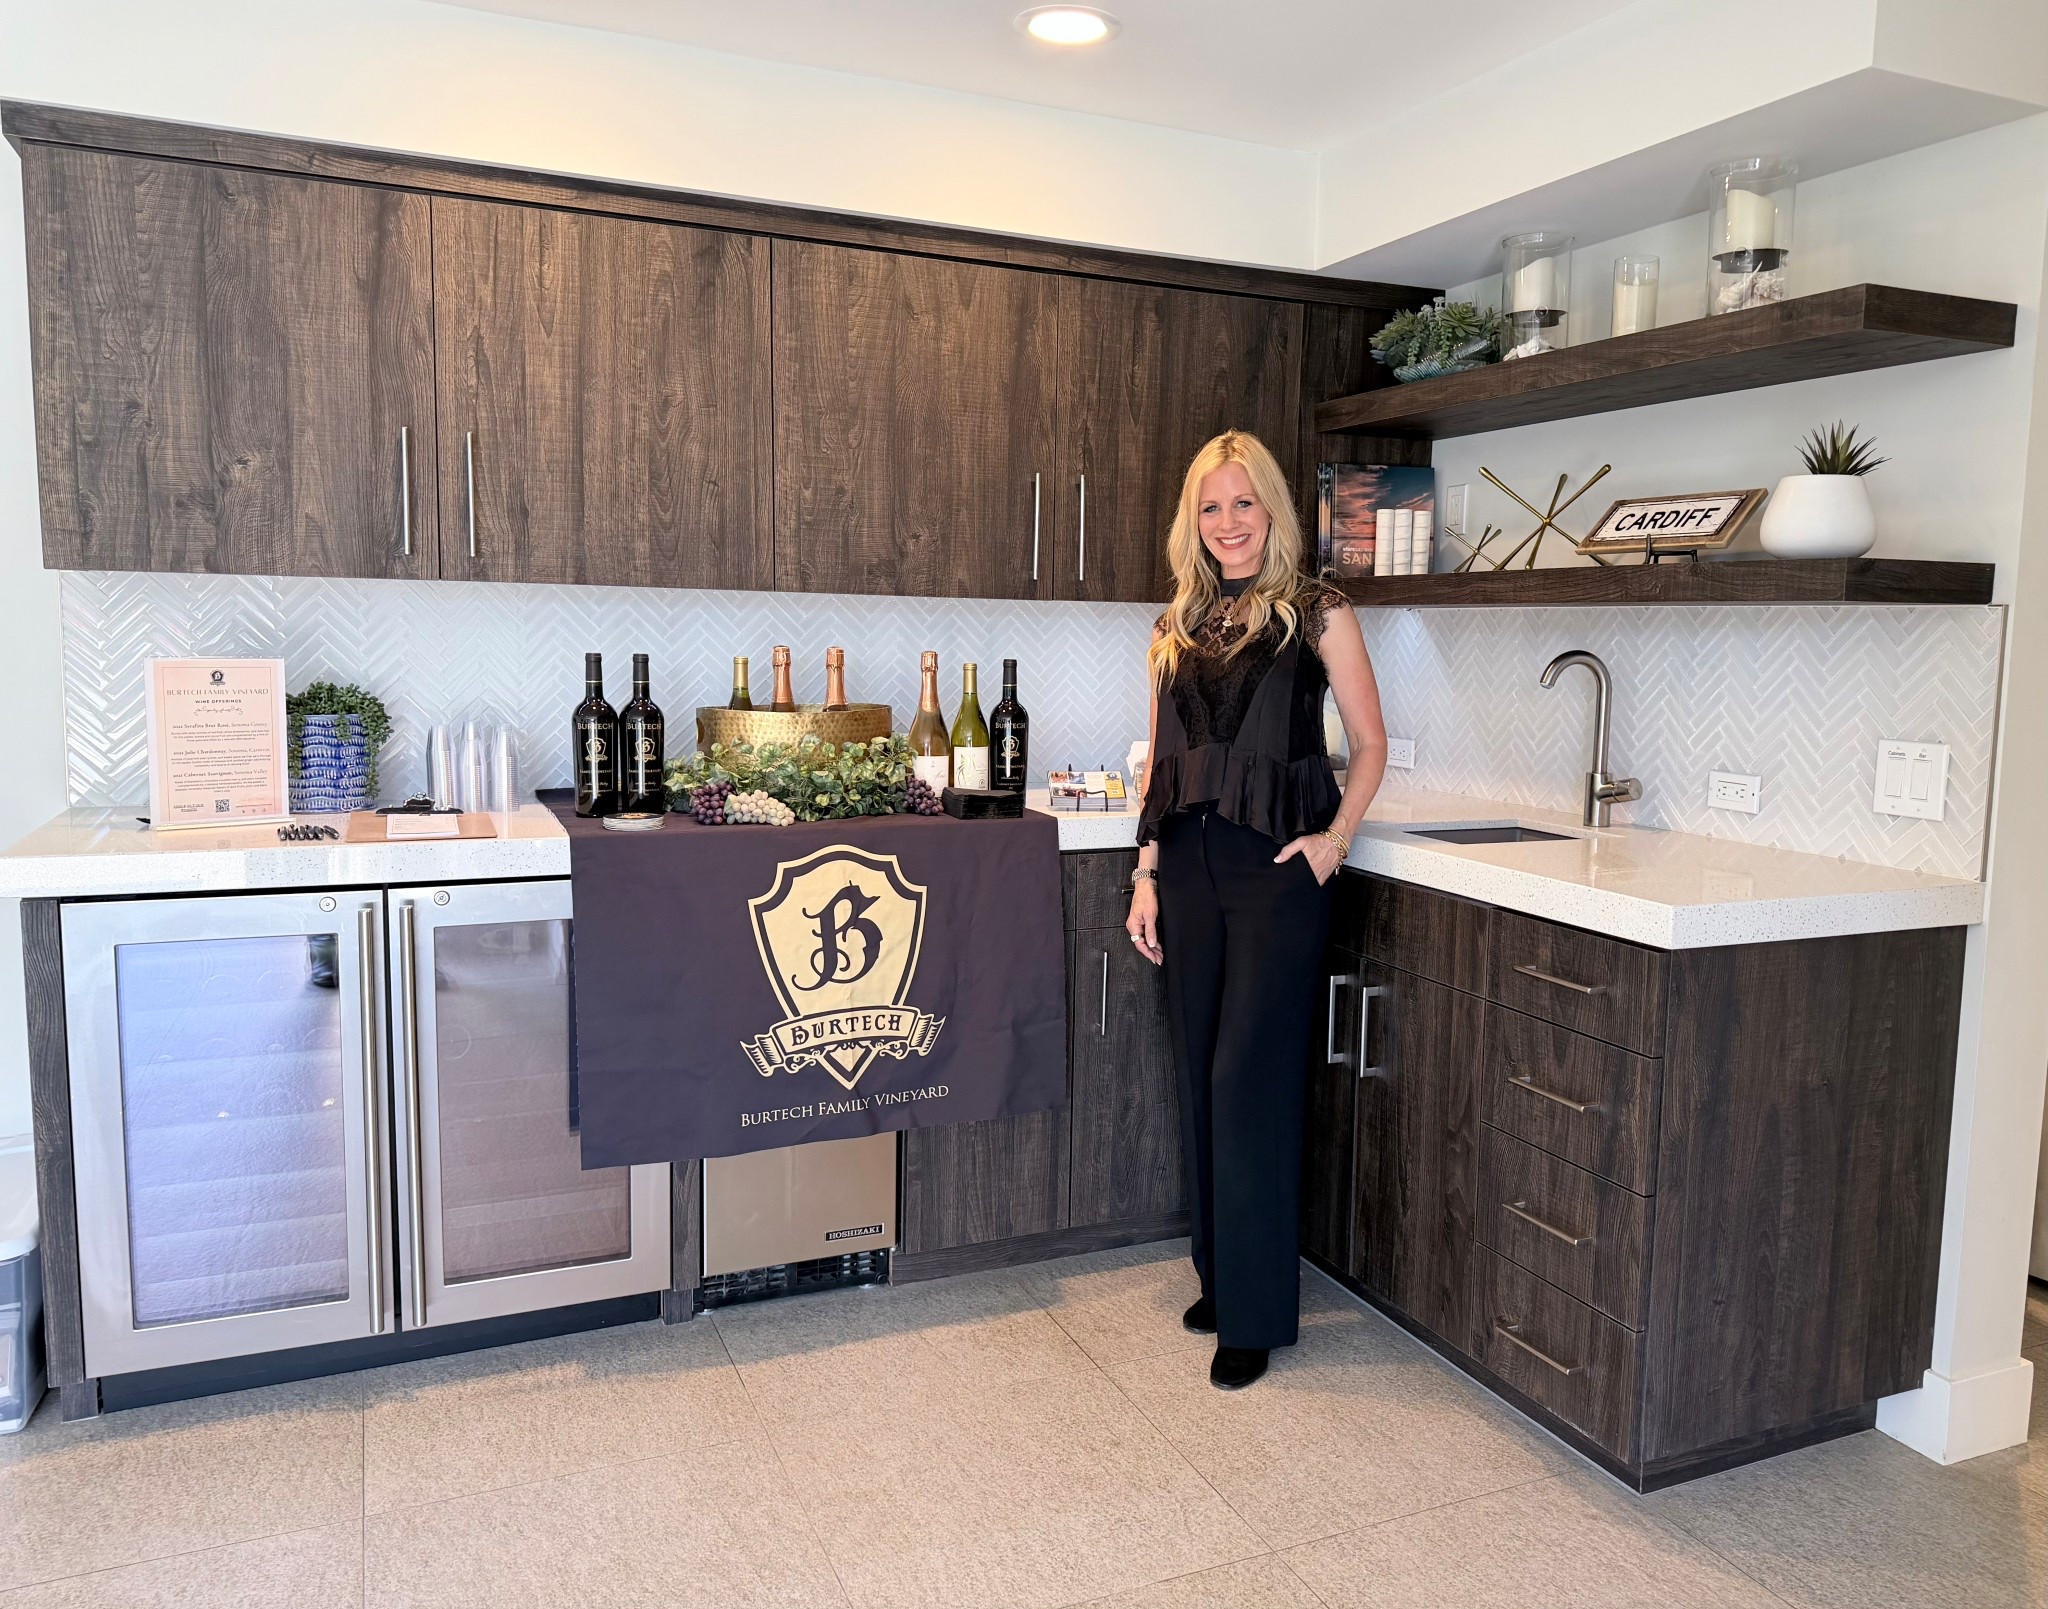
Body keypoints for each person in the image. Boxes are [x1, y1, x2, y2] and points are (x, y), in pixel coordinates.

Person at [1127, 430, 1388, 1390]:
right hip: (1190, 863)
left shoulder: (1318, 612)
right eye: (1210, 506)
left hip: (1278, 868)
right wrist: (1144, 873)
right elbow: (1159, 766)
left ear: (1271, 510)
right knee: (1197, 1071)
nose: (1228, 523)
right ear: (1192, 521)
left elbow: (1368, 743)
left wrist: (1336, 840)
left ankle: (1256, 1311)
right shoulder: (1176, 622)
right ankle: (1219, 1275)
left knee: (1250, 1079)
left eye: (1244, 503)